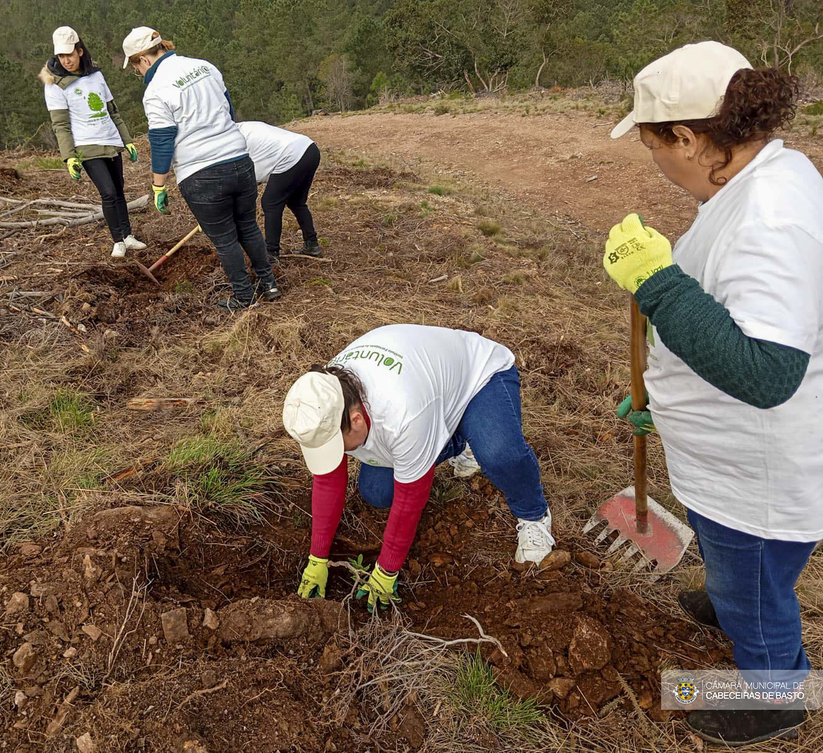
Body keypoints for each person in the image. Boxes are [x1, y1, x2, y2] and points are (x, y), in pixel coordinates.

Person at [606, 41, 823, 746]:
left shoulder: (773, 213)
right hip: (732, 458)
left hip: (756, 473)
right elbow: (732, 311)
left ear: (692, 138)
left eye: (655, 149)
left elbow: (765, 370)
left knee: (755, 586)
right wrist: (661, 397)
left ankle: (776, 693)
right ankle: (738, 598)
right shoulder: (754, 179)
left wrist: (658, 283)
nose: (659, 166)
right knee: (746, 571)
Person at [283, 324, 554, 612]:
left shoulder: (404, 414)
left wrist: (387, 571)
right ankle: (455, 438)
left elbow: (410, 498)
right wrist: (317, 558)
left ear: (356, 419)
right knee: (376, 491)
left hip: (479, 377)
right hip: (430, 392)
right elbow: (328, 481)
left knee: (499, 454)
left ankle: (533, 514)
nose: (339, 454)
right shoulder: (323, 397)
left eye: (338, 445)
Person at [121, 26, 281, 310]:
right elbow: (228, 111)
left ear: (143, 60)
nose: (139, 73)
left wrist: (159, 185)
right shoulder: (205, 67)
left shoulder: (156, 90)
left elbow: (161, 140)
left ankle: (244, 297)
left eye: (136, 67)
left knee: (224, 238)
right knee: (248, 226)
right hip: (239, 160)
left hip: (201, 174)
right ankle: (269, 284)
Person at [39, 26, 145, 259]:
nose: (66, 60)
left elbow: (112, 111)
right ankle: (117, 240)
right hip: (87, 146)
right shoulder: (54, 85)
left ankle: (128, 235)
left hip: (110, 139)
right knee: (107, 192)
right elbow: (61, 125)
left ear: (79, 51)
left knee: (118, 189)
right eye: (61, 56)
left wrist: (127, 140)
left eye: (69, 54)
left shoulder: (95, 76)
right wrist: (69, 156)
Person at [236, 120, 322, 262]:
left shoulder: (235, 141)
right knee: (296, 202)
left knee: (270, 203)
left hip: (292, 155)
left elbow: (245, 178)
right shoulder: (244, 127)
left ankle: (271, 253)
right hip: (309, 149)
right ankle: (312, 245)